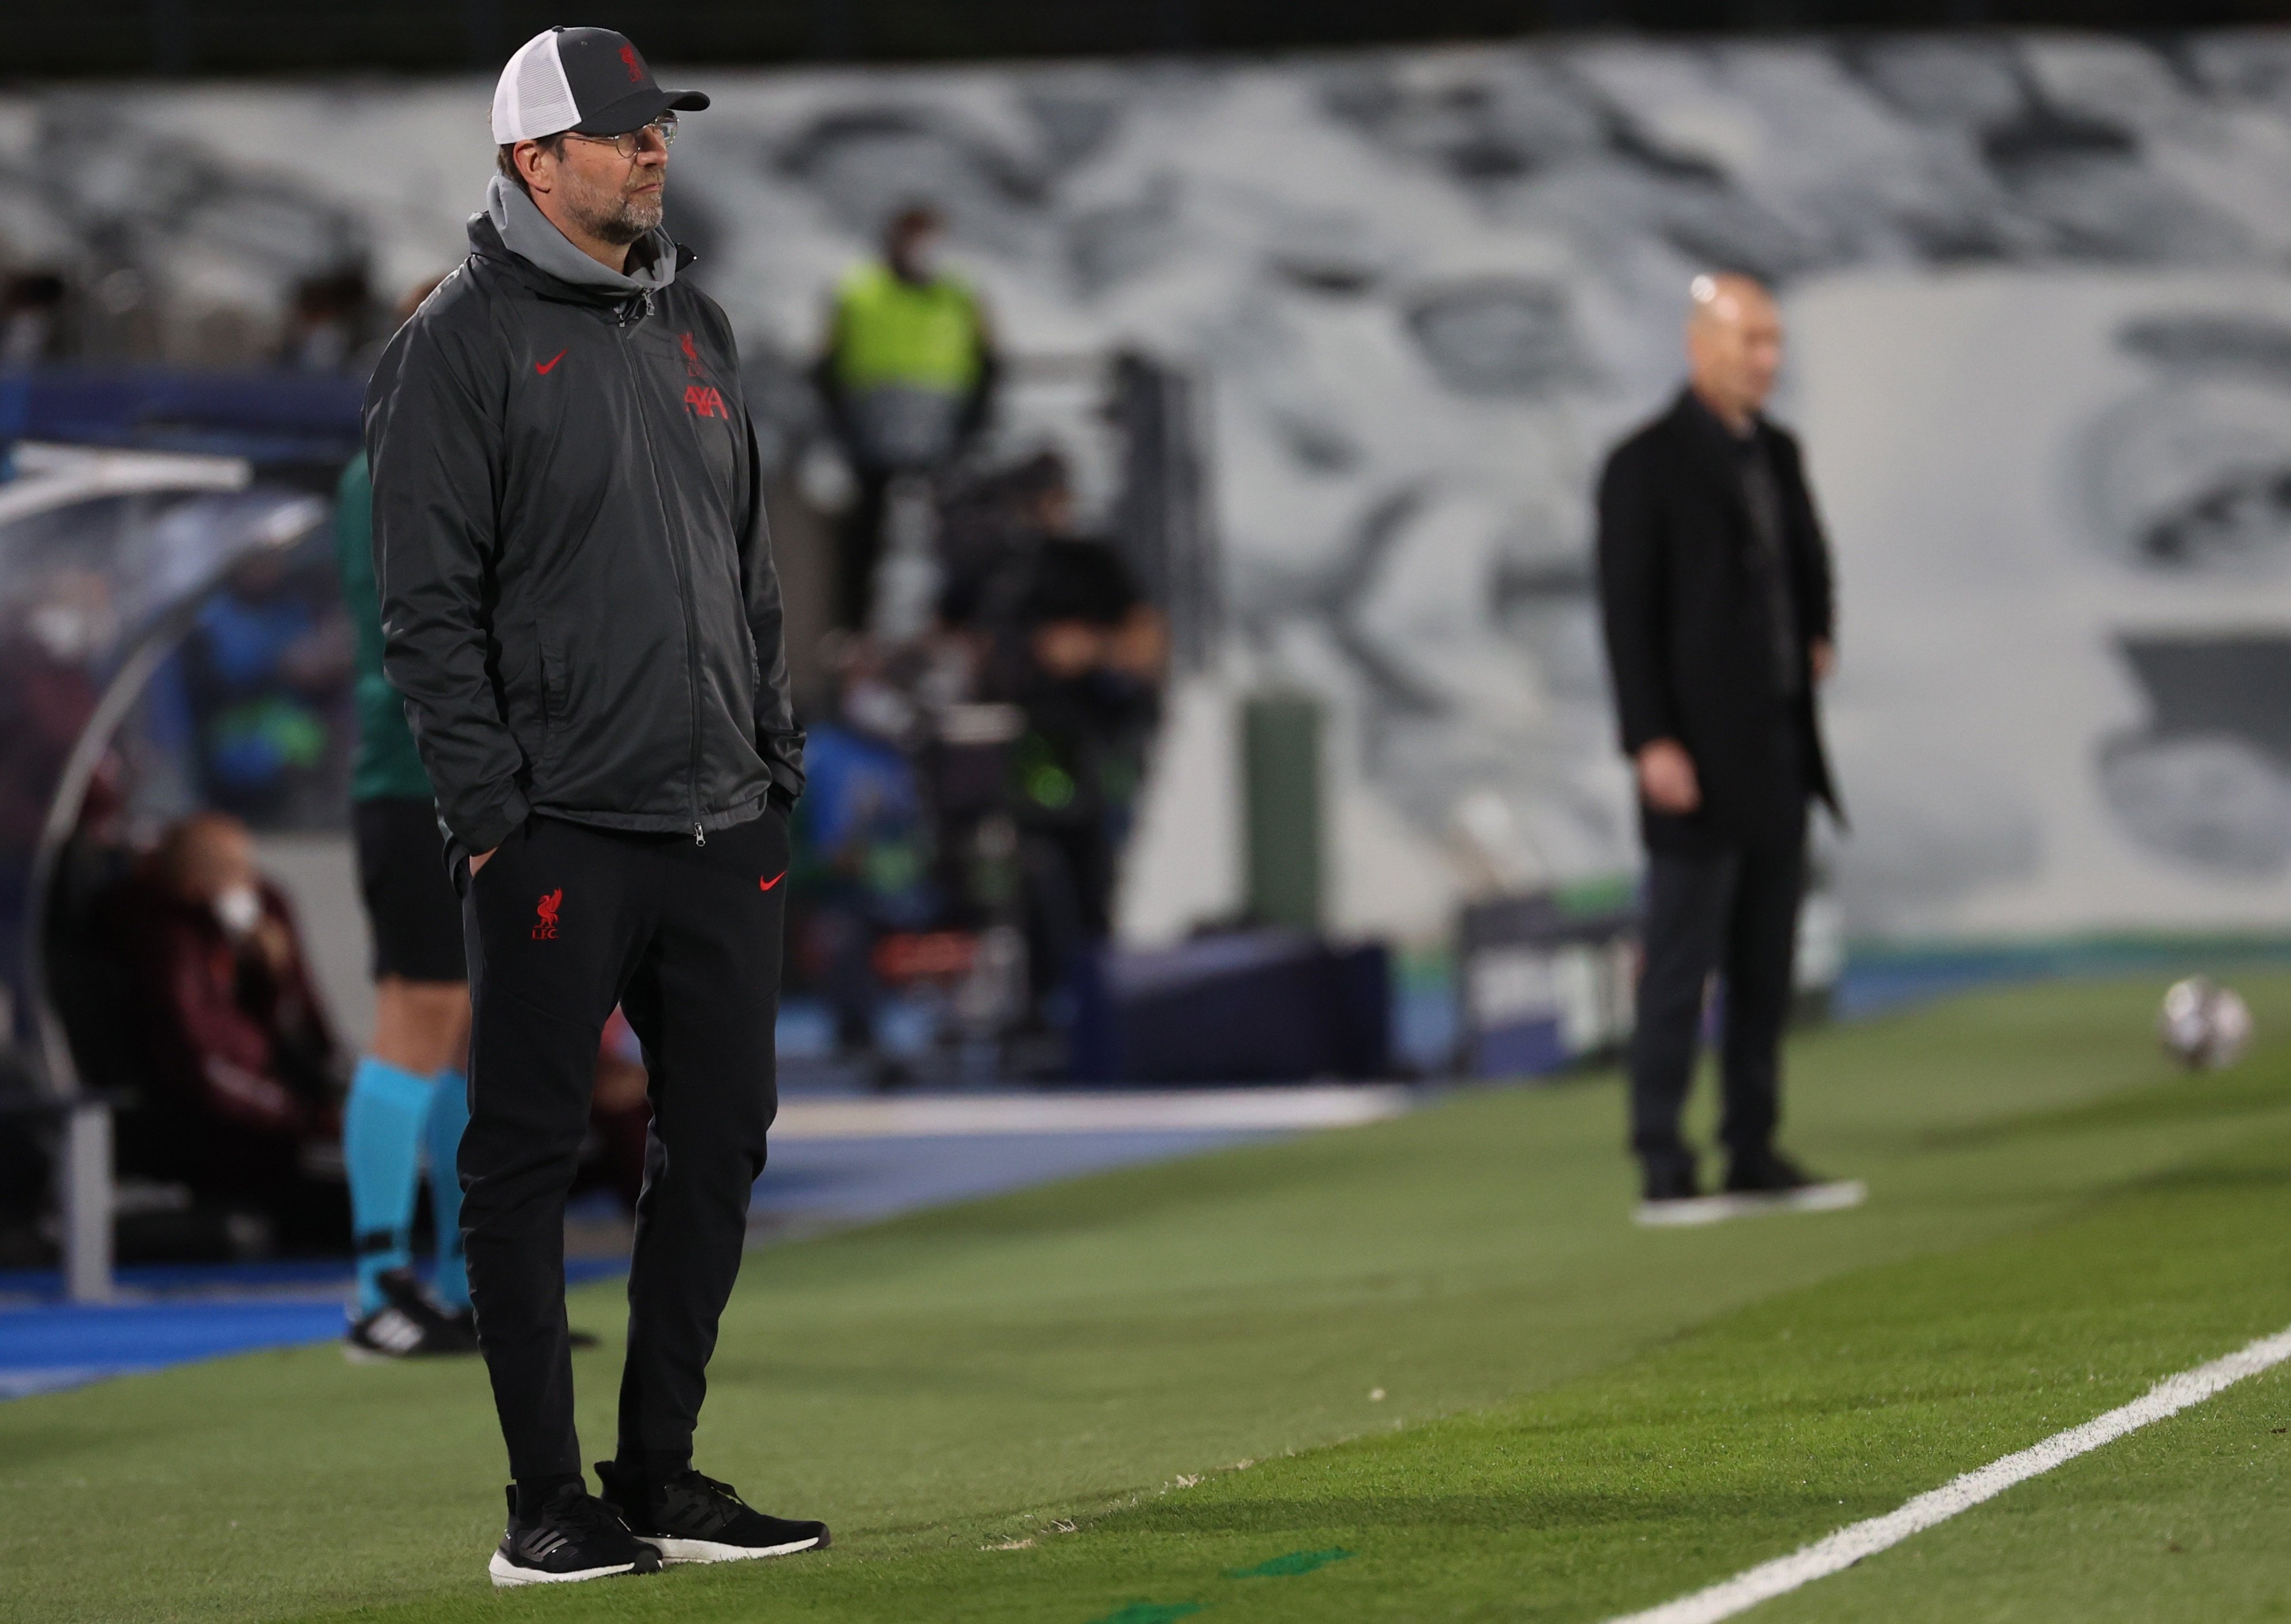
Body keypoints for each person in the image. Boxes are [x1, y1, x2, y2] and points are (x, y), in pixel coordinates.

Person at [365, 26, 826, 1588]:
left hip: (721, 819)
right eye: (621, 131)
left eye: (658, 127)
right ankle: (542, 1506)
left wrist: (774, 755)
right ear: (531, 162)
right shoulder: (454, 347)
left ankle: (659, 1475)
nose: (652, 149)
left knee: (723, 1145)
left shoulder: (694, 322)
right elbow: (424, 611)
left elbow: (747, 570)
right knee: (522, 1153)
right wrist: (493, 811)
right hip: (558, 825)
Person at [1594, 272, 1845, 1214]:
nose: (1764, 359)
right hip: (1691, 760)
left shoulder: (1776, 454)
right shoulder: (1644, 465)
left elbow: (1811, 565)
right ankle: (1661, 1156)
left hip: (1778, 748)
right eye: (1748, 341)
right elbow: (1627, 616)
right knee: (1678, 964)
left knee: (1764, 964)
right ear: (1701, 345)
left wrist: (1816, 634)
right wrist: (1649, 738)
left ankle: (1753, 1143)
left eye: (1773, 341)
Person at [334, 418, 479, 1362]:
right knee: (419, 1018)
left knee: (464, 1032)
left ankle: (468, 1284)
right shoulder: (397, 463)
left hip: (461, 783)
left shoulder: (427, 455)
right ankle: (377, 1287)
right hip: (419, 782)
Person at [113, 812, 346, 1250]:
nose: (250, 884)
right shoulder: (169, 943)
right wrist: (305, 1120)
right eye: (234, 873)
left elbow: (302, 1037)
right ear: (194, 885)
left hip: (276, 1122)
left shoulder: (257, 922)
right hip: (221, 1142)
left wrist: (276, 974)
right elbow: (201, 1070)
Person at [814, 203, 998, 632]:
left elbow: (989, 364)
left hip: (943, 443)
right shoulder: (856, 293)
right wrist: (843, 431)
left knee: (958, 541)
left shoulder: (961, 297)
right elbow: (825, 365)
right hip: (869, 445)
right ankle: (852, 634)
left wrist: (972, 430)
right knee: (861, 543)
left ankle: (953, 632)